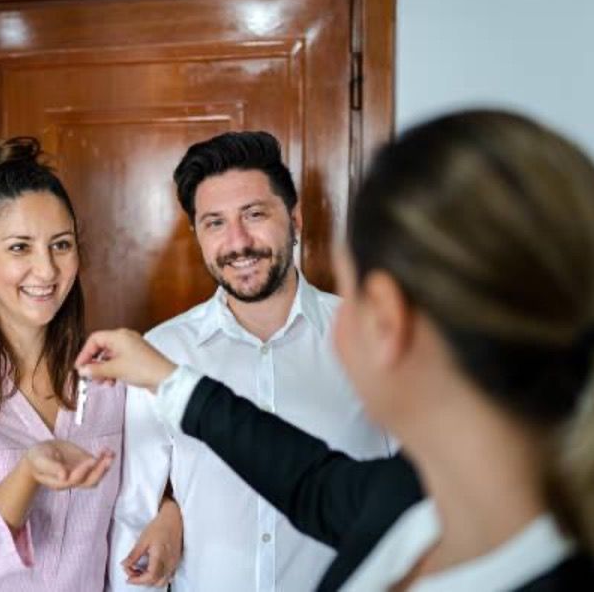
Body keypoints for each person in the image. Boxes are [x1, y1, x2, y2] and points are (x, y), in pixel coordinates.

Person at [78, 111, 594, 591]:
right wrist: (168, 383)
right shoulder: (405, 499)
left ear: (386, 316)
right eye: (214, 223)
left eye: (353, 287)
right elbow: (305, 477)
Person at [0, 138, 182, 591]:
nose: (46, 271)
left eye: (60, 245)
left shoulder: (108, 376)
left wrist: (170, 518)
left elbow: (144, 481)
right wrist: (26, 474)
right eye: (20, 248)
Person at [109, 132, 392, 591]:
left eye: (254, 215)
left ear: (295, 219)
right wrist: (171, 513)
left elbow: (416, 504)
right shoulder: (161, 353)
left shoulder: (373, 337)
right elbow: (133, 516)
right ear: (197, 234)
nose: (237, 242)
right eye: (214, 223)